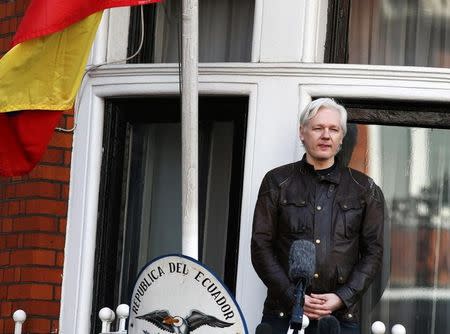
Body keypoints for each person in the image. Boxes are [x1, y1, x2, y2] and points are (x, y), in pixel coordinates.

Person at [251, 98, 385, 334]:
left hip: (340, 317)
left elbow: (373, 253)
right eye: (317, 128)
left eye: (333, 129)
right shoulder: (277, 181)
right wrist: (293, 296)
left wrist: (342, 297)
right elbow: (260, 246)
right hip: (283, 314)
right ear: (302, 133)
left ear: (341, 138)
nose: (326, 135)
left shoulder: (364, 188)